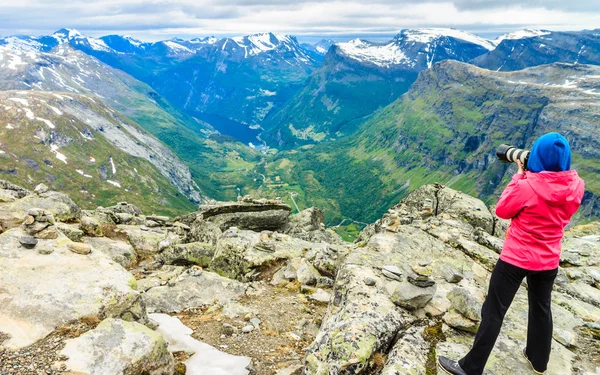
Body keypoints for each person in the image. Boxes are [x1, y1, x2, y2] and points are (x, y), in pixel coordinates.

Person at [438, 132, 585, 375]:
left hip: (515, 258)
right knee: (541, 308)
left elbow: (503, 210)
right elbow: (552, 193)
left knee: (493, 311)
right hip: (548, 260)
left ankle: (470, 368)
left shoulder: (526, 185)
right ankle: (538, 361)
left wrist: (519, 176)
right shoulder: (577, 185)